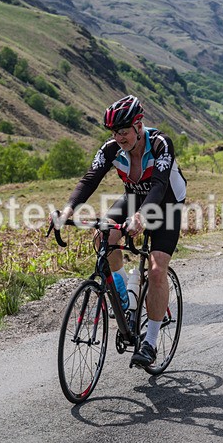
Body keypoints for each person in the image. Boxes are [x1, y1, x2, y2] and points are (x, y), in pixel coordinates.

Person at [53, 95, 187, 368]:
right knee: (103, 236)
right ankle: (125, 299)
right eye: (114, 132)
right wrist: (68, 210)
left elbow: (159, 186)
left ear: (139, 125)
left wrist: (140, 217)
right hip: (135, 198)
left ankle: (149, 342)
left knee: (157, 269)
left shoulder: (161, 144)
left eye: (123, 131)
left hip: (167, 203)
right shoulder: (111, 148)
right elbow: (90, 179)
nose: (118, 137)